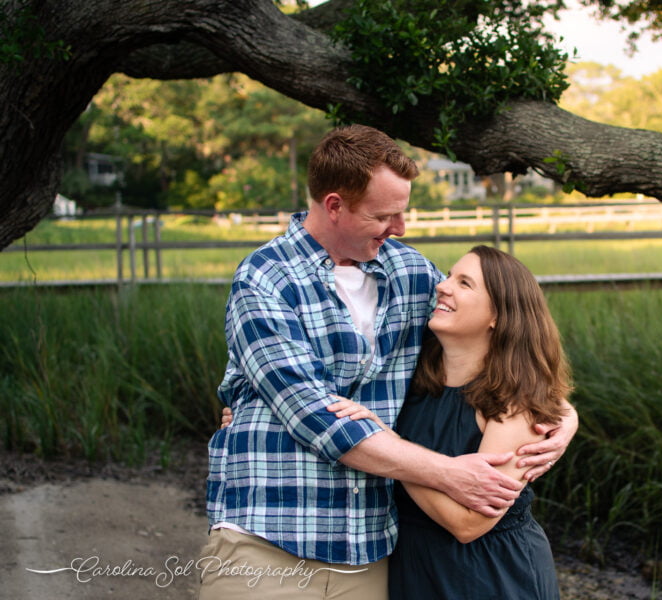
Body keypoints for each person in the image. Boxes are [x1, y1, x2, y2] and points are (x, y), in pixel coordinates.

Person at [201, 124, 578, 599]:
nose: (400, 228)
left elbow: (499, 329)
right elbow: (318, 418)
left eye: (402, 213)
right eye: (385, 215)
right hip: (273, 537)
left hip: (371, 549)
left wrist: (561, 416)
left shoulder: (410, 271)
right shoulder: (264, 279)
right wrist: (445, 472)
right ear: (335, 205)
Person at [327, 245, 572, 599]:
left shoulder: (515, 404)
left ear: (498, 317)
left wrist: (384, 447)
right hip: (413, 568)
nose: (443, 286)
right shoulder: (411, 379)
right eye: (448, 276)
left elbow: (468, 523)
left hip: (490, 576)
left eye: (465, 283)